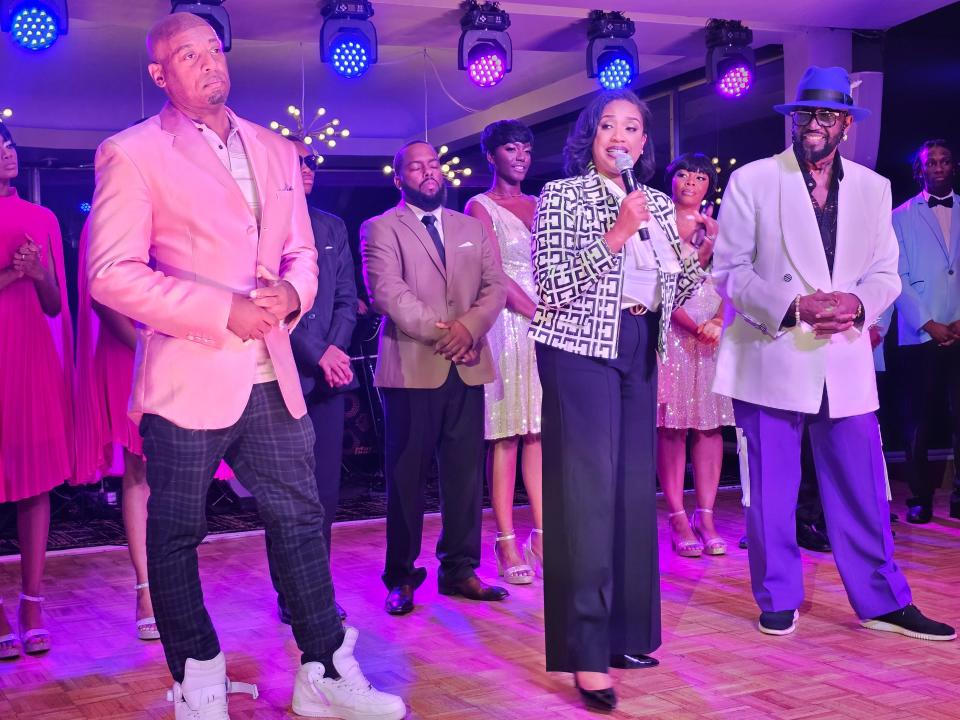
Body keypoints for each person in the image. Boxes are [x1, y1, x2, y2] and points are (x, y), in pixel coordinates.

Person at [87, 13, 405, 719]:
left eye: (213, 51)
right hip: (188, 373)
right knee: (176, 532)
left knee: (300, 517)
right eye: (187, 56)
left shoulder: (274, 148)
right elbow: (110, 273)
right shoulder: (133, 152)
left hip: (272, 370)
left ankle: (322, 669)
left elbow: (304, 253)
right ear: (160, 74)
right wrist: (217, 310)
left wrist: (294, 293)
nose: (207, 65)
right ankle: (197, 678)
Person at [713, 65, 955, 642]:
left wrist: (855, 301)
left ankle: (883, 601)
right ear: (794, 120)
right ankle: (778, 597)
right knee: (770, 489)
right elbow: (729, 271)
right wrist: (793, 307)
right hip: (771, 352)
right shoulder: (753, 180)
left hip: (843, 355)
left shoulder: (873, 188)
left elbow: (886, 273)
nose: (814, 125)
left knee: (863, 486)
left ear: (846, 123)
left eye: (826, 116)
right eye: (805, 115)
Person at [529, 89, 706, 711]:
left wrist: (695, 249)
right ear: (590, 135)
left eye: (632, 127)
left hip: (638, 342)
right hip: (578, 347)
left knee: (634, 491)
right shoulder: (561, 195)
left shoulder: (656, 200)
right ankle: (584, 653)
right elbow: (550, 285)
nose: (621, 136)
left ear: (642, 142)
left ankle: (626, 632)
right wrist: (616, 232)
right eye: (609, 125)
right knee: (587, 497)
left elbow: (677, 286)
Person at [361, 140, 508, 617]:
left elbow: (495, 288)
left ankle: (459, 569)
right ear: (399, 177)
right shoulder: (380, 226)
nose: (428, 172)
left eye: (433, 165)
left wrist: (469, 329)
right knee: (407, 477)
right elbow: (388, 292)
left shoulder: (471, 227)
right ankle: (401, 576)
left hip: (467, 363)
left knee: (465, 476)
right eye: (416, 167)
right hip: (411, 366)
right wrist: (445, 332)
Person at [268, 137, 357, 624]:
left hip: (328, 378)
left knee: (324, 494)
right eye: (299, 162)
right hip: (281, 374)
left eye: (312, 163)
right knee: (287, 496)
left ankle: (316, 593)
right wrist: (317, 351)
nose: (308, 169)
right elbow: (268, 299)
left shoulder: (331, 226)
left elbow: (346, 296)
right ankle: (290, 593)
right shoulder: (264, 225)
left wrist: (335, 351)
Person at [0, 121, 73, 659]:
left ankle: (32, 600)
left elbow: (53, 305)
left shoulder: (43, 218)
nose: (5, 152)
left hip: (30, 358)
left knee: (33, 485)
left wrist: (41, 273)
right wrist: (11, 274)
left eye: (8, 144)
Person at [464, 120, 543, 584]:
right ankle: (505, 541)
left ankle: (542, 533)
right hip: (509, 324)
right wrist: (537, 312)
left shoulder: (541, 203)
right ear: (491, 156)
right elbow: (493, 274)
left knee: (539, 433)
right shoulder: (480, 207)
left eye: (526, 149)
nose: (520, 156)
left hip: (547, 320)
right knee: (507, 434)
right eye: (511, 149)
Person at [656, 152, 734, 558]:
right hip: (674, 329)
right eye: (683, 175)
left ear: (709, 185)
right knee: (672, 427)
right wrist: (689, 324)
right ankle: (677, 515)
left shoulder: (720, 228)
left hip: (712, 334)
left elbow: (732, 279)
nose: (690, 182)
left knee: (709, 427)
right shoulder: (657, 223)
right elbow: (657, 283)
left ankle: (706, 515)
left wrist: (719, 321)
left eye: (700, 177)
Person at [893, 139, 960, 523]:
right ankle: (919, 497)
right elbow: (896, 277)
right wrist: (929, 323)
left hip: (959, 329)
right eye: (931, 162)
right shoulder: (900, 216)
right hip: (920, 332)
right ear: (921, 169)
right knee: (917, 418)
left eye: (944, 161)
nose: (937, 167)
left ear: (953, 166)